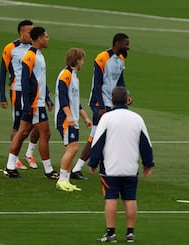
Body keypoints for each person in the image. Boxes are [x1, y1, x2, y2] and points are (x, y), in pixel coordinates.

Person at [89, 86, 154, 243]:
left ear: (112, 100)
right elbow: (146, 144)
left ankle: (111, 233)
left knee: (111, 198)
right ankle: (130, 233)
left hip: (110, 167)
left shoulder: (106, 118)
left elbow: (97, 143)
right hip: (130, 167)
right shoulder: (137, 118)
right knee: (130, 199)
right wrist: (148, 164)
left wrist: (93, 162)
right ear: (127, 100)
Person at [71, 33, 132, 180]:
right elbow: (97, 84)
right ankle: (78, 168)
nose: (128, 47)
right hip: (100, 103)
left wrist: (126, 95)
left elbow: (120, 80)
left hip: (113, 102)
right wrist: (101, 106)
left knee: (106, 135)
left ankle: (101, 167)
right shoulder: (102, 58)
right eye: (126, 44)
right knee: (96, 135)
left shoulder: (121, 59)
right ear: (117, 43)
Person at [3, 27, 59, 179]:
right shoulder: (30, 56)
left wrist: (46, 97)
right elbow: (25, 80)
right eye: (46, 37)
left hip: (37, 101)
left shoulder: (39, 55)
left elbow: (40, 80)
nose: (48, 39)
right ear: (39, 38)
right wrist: (27, 104)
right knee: (44, 133)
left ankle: (9, 167)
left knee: (23, 133)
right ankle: (48, 170)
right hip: (34, 103)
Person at [0, 20, 40, 170]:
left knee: (38, 125)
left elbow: (38, 72)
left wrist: (46, 92)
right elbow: (3, 72)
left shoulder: (34, 48)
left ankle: (29, 153)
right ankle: (14, 159)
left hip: (34, 92)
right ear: (21, 32)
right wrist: (2, 96)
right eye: (29, 31)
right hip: (17, 91)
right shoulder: (11, 48)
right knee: (18, 125)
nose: (32, 34)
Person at [54, 48, 92, 192]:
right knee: (73, 148)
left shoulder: (74, 76)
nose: (83, 62)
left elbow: (76, 101)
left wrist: (85, 117)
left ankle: (66, 180)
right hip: (66, 118)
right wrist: (69, 115)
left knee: (72, 149)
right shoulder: (66, 75)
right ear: (77, 60)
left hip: (72, 118)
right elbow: (63, 96)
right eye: (82, 59)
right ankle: (62, 180)